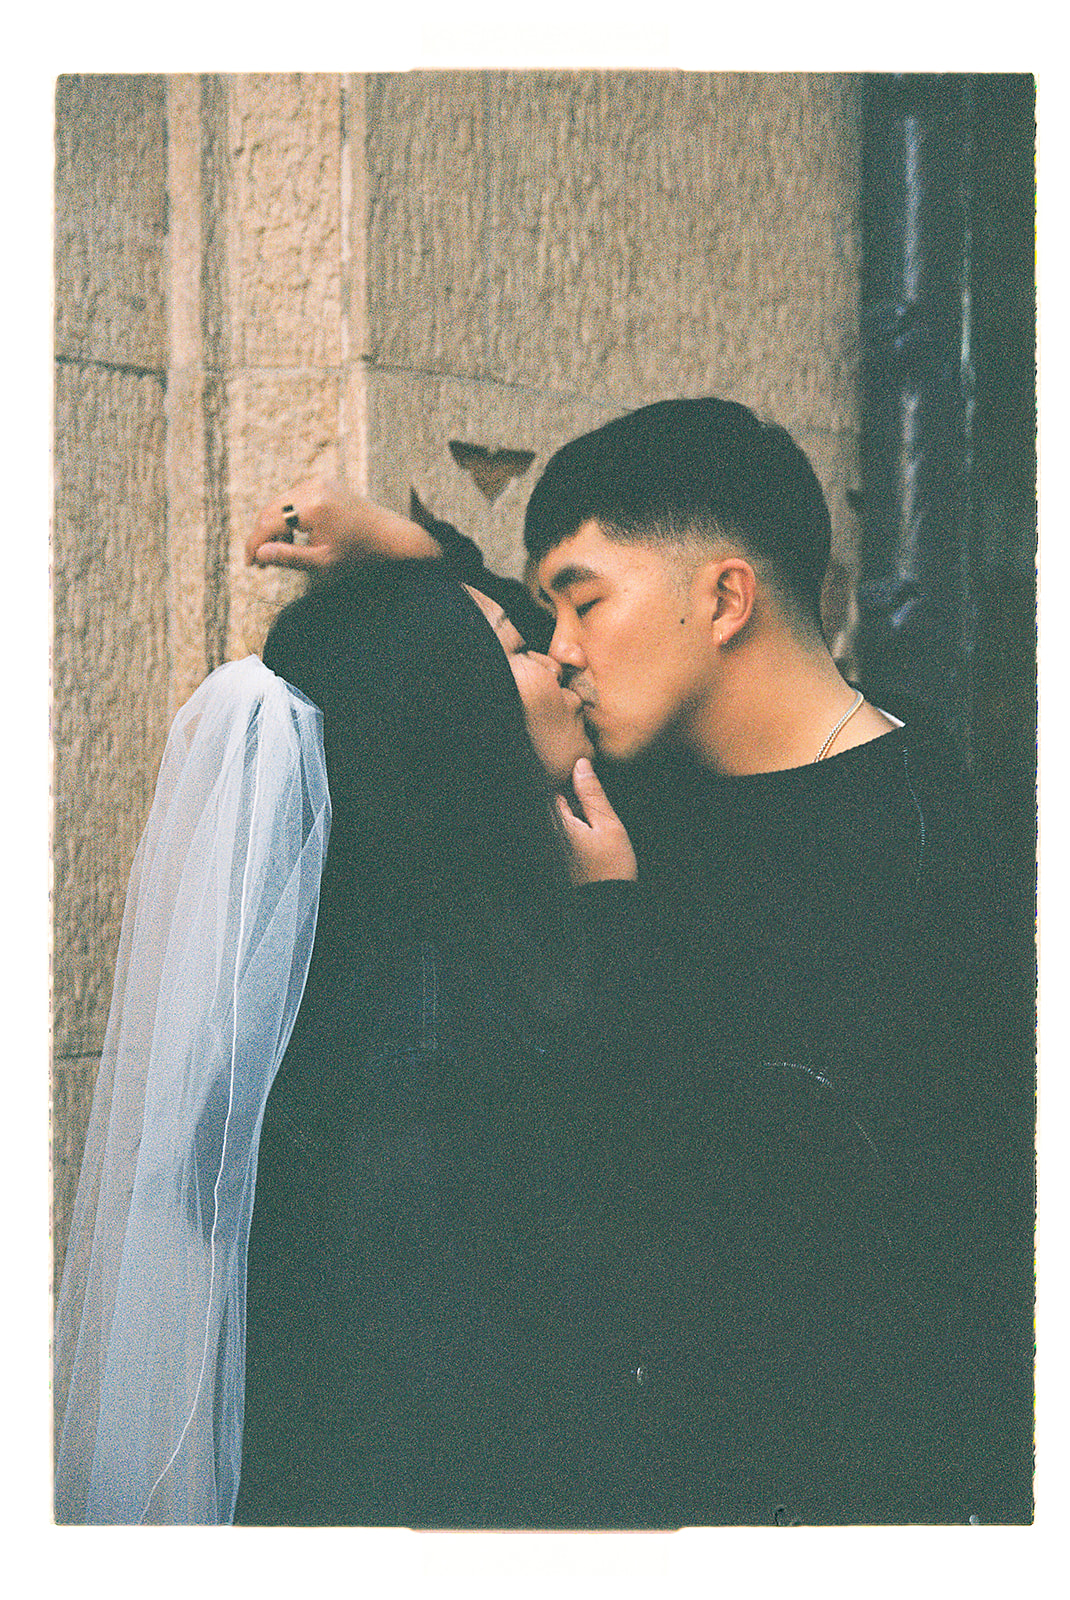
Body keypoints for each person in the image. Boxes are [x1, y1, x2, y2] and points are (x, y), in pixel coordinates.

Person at [248, 397, 1033, 1525]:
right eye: (543, 617)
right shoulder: (661, 762)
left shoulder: (911, 854)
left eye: (582, 603)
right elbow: (522, 656)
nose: (558, 649)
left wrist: (612, 921)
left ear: (721, 600)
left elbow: (738, 1196)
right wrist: (409, 550)